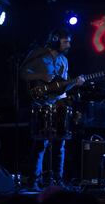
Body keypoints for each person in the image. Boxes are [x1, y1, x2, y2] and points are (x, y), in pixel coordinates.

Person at [20, 27, 85, 190]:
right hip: (40, 103)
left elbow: (62, 87)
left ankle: (57, 180)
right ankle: (33, 181)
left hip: (57, 104)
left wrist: (74, 83)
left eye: (69, 41)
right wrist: (40, 76)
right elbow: (23, 73)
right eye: (65, 41)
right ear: (55, 40)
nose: (68, 44)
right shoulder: (38, 54)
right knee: (40, 143)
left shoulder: (64, 60)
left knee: (60, 143)